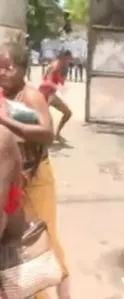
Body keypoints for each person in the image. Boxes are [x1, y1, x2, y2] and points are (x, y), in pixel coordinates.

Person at [0, 42, 71, 298]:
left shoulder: (30, 95)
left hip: (38, 178)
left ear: (22, 69)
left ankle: (64, 290)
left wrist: (6, 121)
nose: (3, 73)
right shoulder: (4, 94)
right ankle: (35, 288)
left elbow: (47, 133)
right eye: (0, 68)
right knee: (22, 241)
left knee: (46, 236)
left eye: (8, 68)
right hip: (16, 180)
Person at [42, 50, 73, 141]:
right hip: (46, 94)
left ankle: (57, 134)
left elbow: (58, 81)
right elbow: (47, 82)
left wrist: (61, 81)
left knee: (67, 113)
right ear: (64, 57)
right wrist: (59, 88)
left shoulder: (59, 66)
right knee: (46, 118)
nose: (69, 61)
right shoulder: (56, 66)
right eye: (69, 59)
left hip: (50, 94)